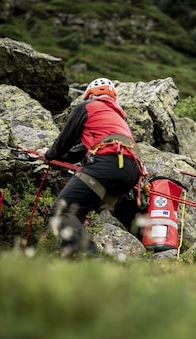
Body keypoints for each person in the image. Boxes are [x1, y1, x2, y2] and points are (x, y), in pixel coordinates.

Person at [36, 78, 146, 257]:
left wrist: (48, 154)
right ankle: (73, 260)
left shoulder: (87, 107)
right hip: (130, 172)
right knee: (74, 212)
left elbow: (66, 140)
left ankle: (91, 260)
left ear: (90, 95)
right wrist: (52, 156)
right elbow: (79, 151)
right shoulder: (117, 118)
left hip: (107, 164)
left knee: (61, 211)